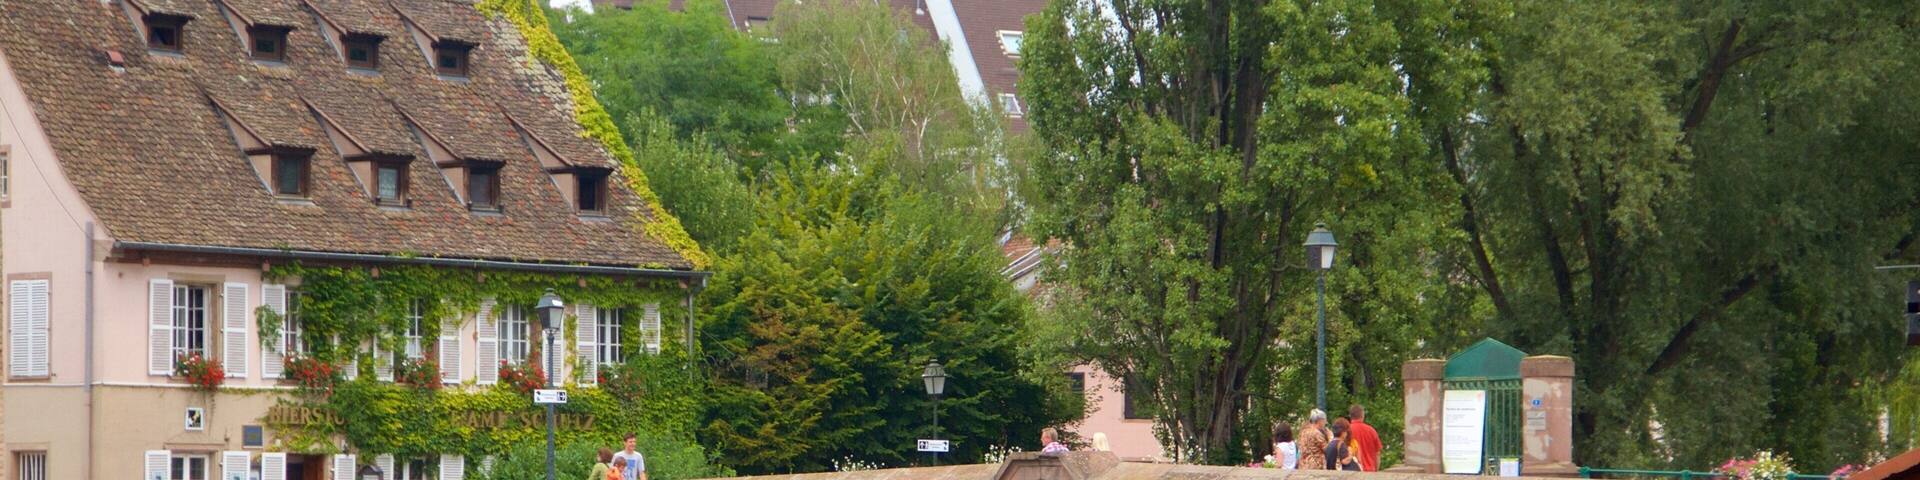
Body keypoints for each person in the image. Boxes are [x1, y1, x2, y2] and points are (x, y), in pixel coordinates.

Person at [1348, 404, 1382, 471]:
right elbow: (1377, 453)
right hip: (1370, 471)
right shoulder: (1371, 430)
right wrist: (1376, 470)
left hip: (1353, 471)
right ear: (1362, 415)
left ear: (1350, 416)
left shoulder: (1346, 431)